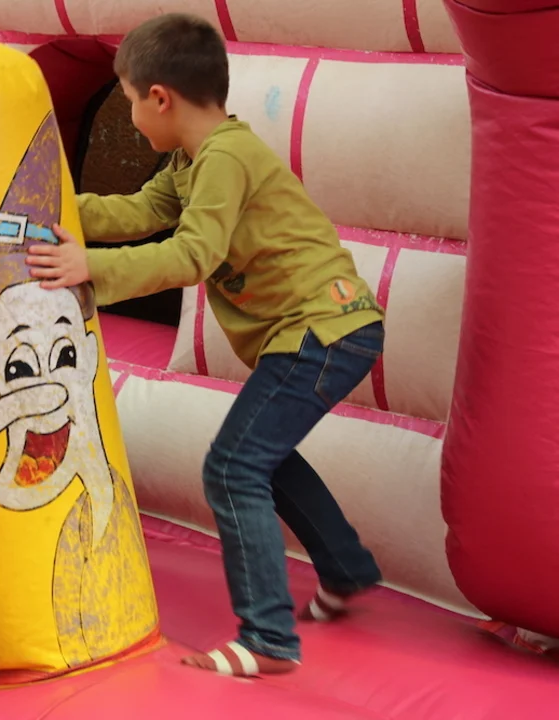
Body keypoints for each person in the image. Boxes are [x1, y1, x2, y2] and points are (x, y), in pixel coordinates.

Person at [25, 13, 385, 677]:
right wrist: (54, 209)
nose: (131, 116)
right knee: (261, 455)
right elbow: (140, 211)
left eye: (129, 101)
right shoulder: (191, 160)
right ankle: (346, 568)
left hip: (322, 329)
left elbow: (192, 255)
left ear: (159, 97)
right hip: (323, 330)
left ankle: (267, 638)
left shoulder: (225, 157)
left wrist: (88, 268)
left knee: (232, 466)